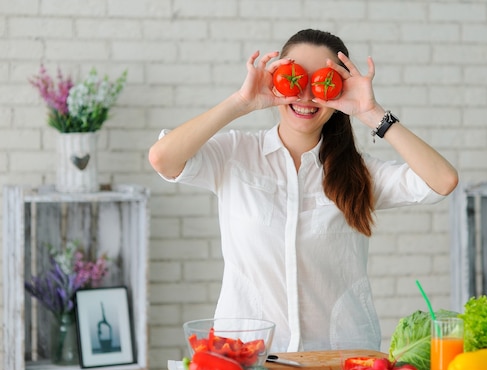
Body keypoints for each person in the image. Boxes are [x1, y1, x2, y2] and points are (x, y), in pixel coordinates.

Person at [149, 29, 458, 353]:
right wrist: (241, 102)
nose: (307, 94)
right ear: (274, 79)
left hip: (339, 359)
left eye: (322, 82)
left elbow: (442, 181)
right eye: (294, 77)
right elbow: (162, 158)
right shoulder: (235, 155)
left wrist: (371, 113)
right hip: (247, 356)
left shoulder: (358, 173)